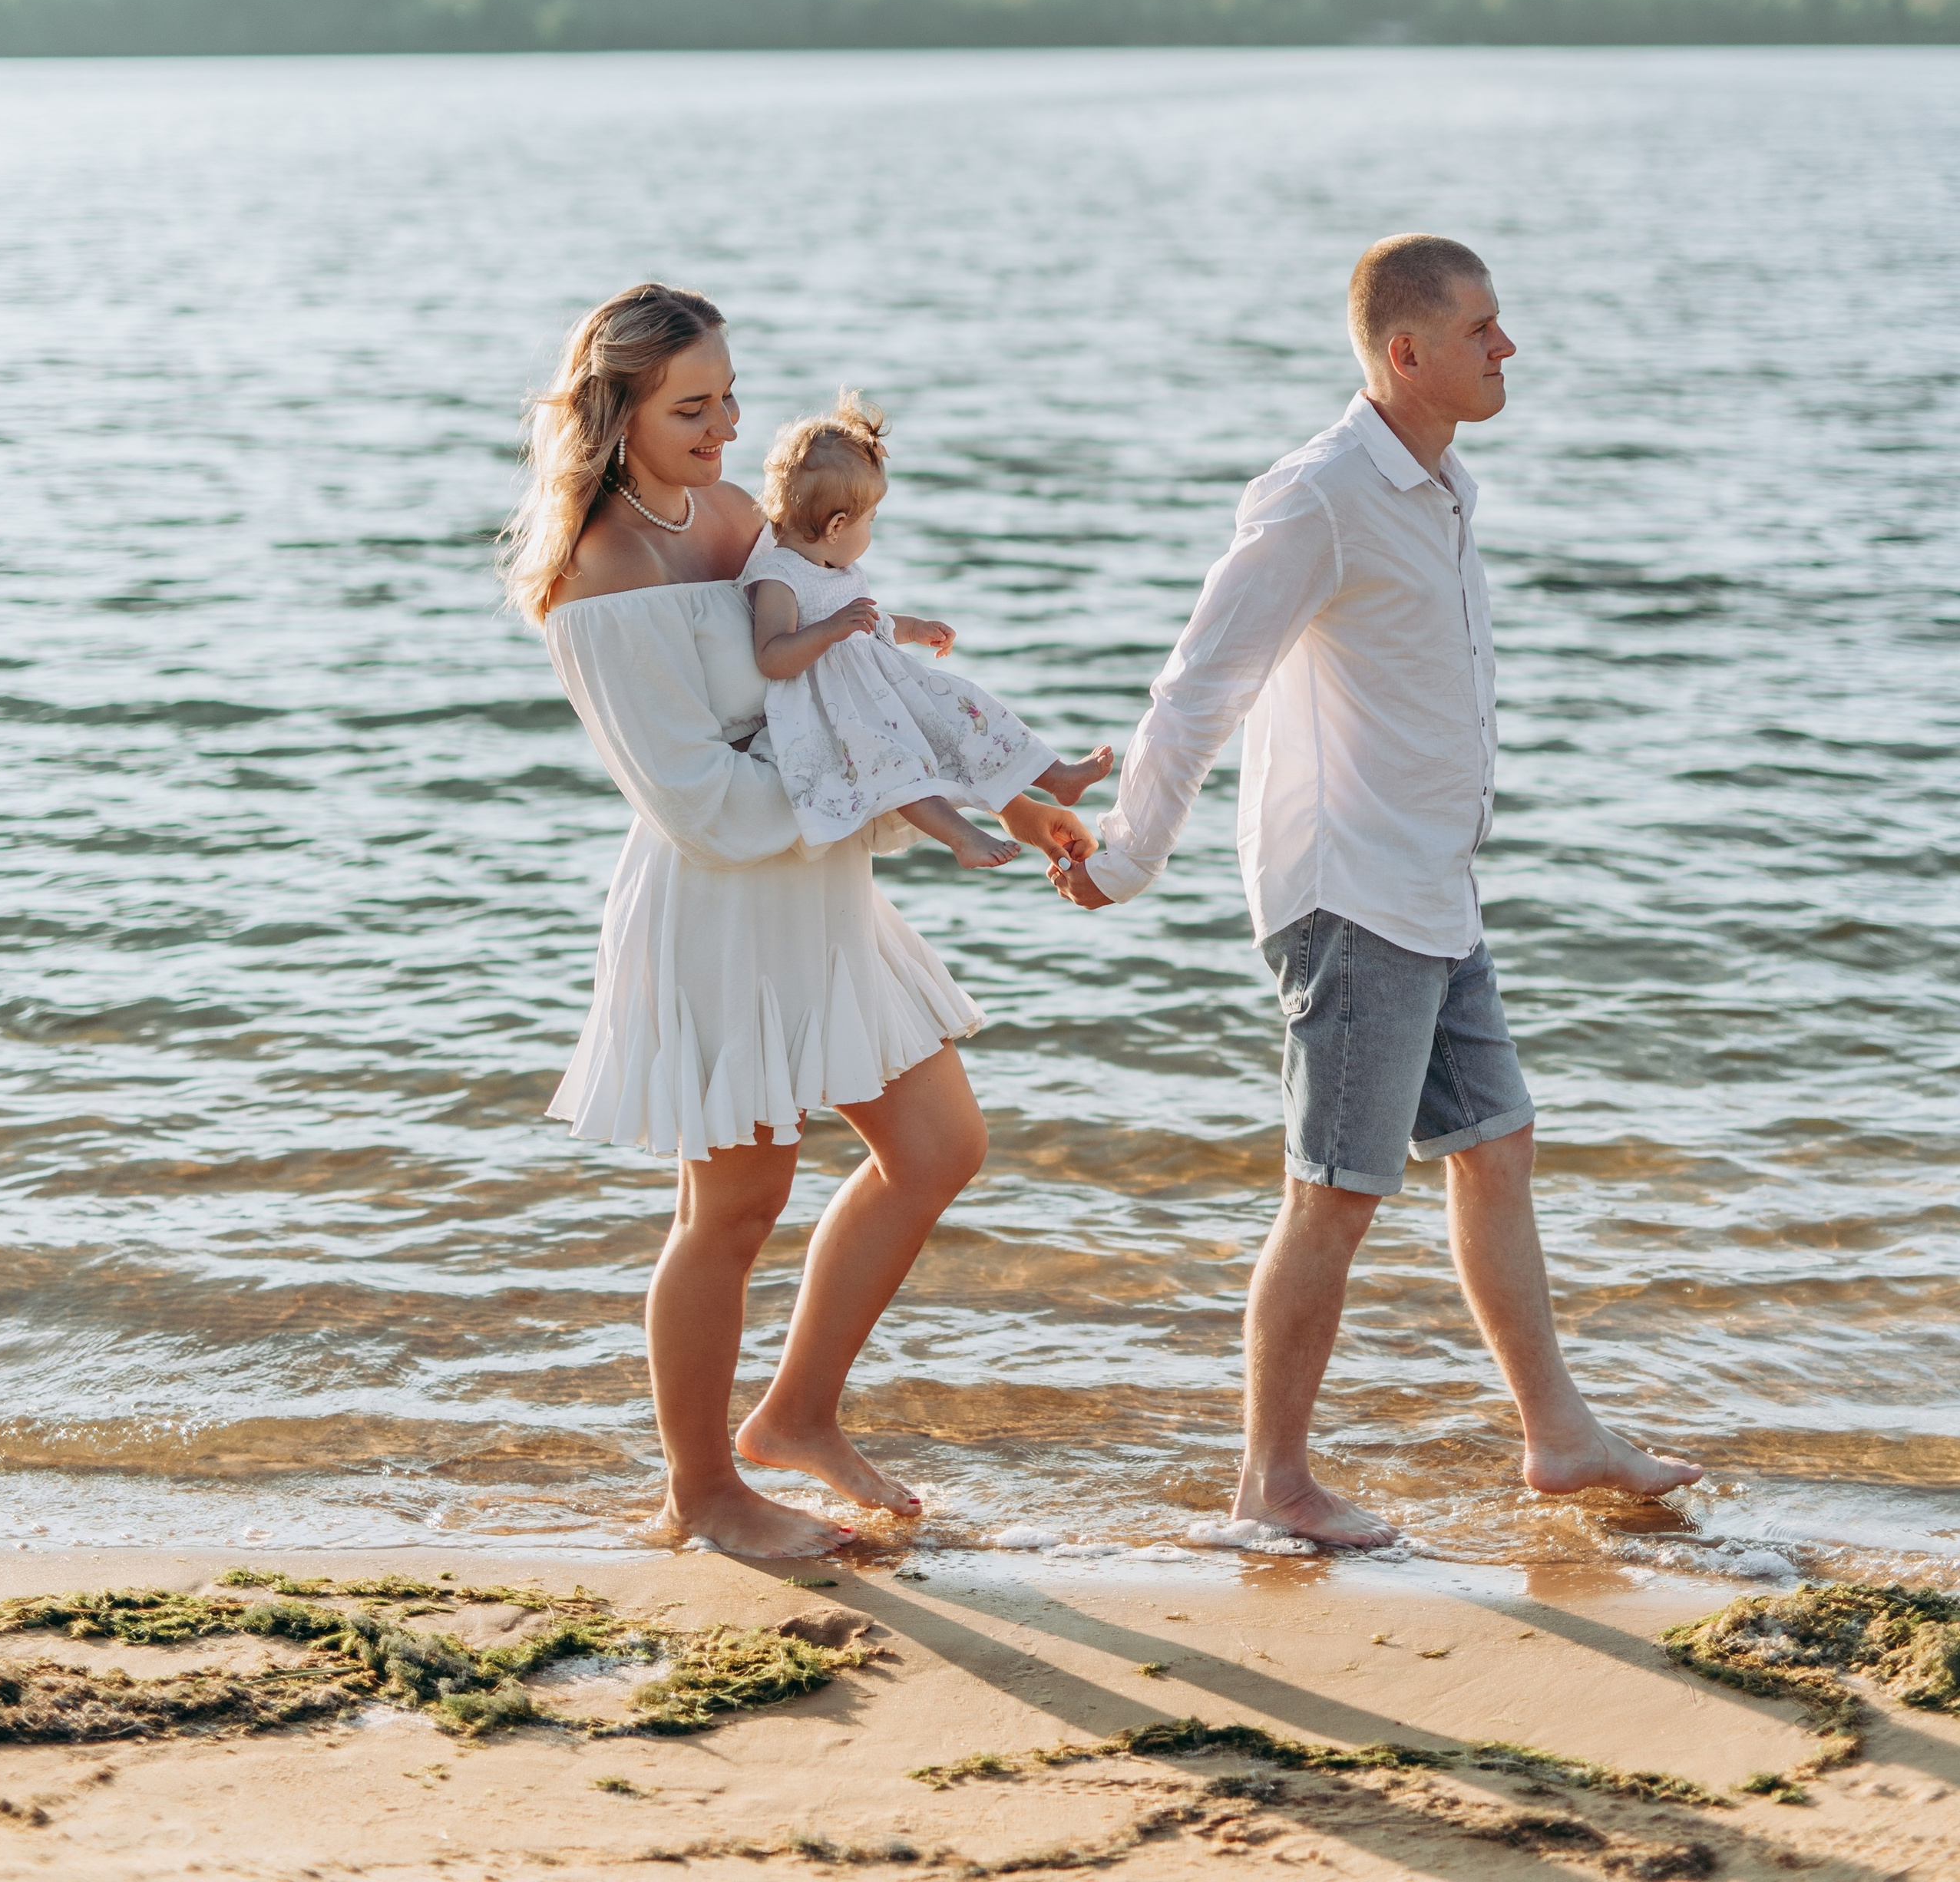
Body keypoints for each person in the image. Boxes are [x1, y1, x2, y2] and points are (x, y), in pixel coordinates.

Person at [1049, 234, 1703, 1549]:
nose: (1506, 348)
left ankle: (1558, 1437)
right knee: (1334, 1192)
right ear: (1406, 354)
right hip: (1350, 894)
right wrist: (1126, 856)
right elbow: (1196, 688)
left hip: (1430, 887)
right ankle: (1269, 1488)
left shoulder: (1440, 482)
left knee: (1497, 1145)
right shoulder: (1318, 497)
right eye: (1481, 331)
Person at [504, 282, 1094, 1560]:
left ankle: (798, 1416)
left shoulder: (727, 518)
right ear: (615, 414)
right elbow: (697, 796)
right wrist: (878, 805)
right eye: (691, 408)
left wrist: (1013, 794)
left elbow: (850, 687)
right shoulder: (600, 559)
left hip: (824, 886)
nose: (723, 432)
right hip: (717, 902)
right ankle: (703, 1492)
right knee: (732, 1206)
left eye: (730, 399)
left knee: (938, 1146)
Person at [745, 392, 1112, 870]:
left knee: (966, 708)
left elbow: (869, 629)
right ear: (837, 525)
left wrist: (913, 628)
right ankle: (960, 837)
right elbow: (772, 657)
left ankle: (1053, 774)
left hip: (883, 690)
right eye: (870, 520)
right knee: (896, 769)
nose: (871, 531)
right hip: (837, 710)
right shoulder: (781, 576)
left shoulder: (835, 568)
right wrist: (831, 630)